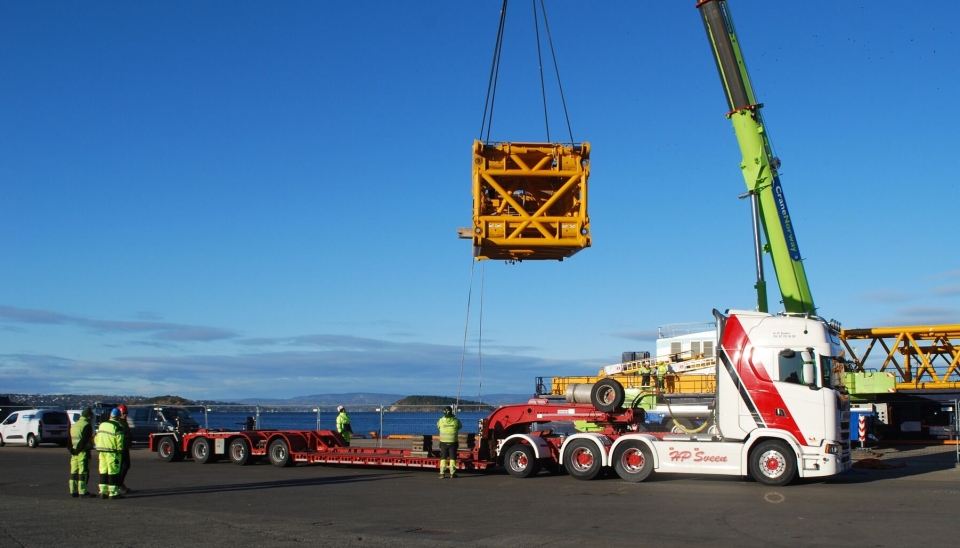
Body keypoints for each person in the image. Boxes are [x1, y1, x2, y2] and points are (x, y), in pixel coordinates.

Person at [94, 407, 126, 499]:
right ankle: (113, 493)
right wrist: (120, 450)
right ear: (119, 416)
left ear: (110, 416)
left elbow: (97, 437)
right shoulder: (118, 426)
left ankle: (103, 492)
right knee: (113, 472)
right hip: (112, 452)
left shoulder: (102, 424)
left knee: (103, 471)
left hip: (101, 451)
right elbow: (119, 440)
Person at [68, 407, 96, 498]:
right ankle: (83, 491)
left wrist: (72, 450)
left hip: (74, 453)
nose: (92, 419)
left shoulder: (75, 425)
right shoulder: (86, 425)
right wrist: (78, 450)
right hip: (83, 452)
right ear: (88, 417)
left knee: (74, 472)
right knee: (83, 472)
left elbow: (68, 439)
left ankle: (73, 490)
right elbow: (84, 440)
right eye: (91, 417)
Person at [436, 406, 462, 479]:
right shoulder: (456, 420)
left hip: (443, 441)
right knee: (452, 458)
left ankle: (442, 473)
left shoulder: (440, 420)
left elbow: (438, 426)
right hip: (453, 441)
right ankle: (452, 473)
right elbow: (460, 426)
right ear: (451, 412)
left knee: (443, 457)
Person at [116, 404, 133, 494]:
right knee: (123, 466)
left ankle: (120, 483)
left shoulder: (124, 421)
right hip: (120, 448)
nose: (125, 415)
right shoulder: (119, 422)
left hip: (125, 447)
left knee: (126, 465)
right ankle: (119, 484)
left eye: (126, 413)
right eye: (124, 413)